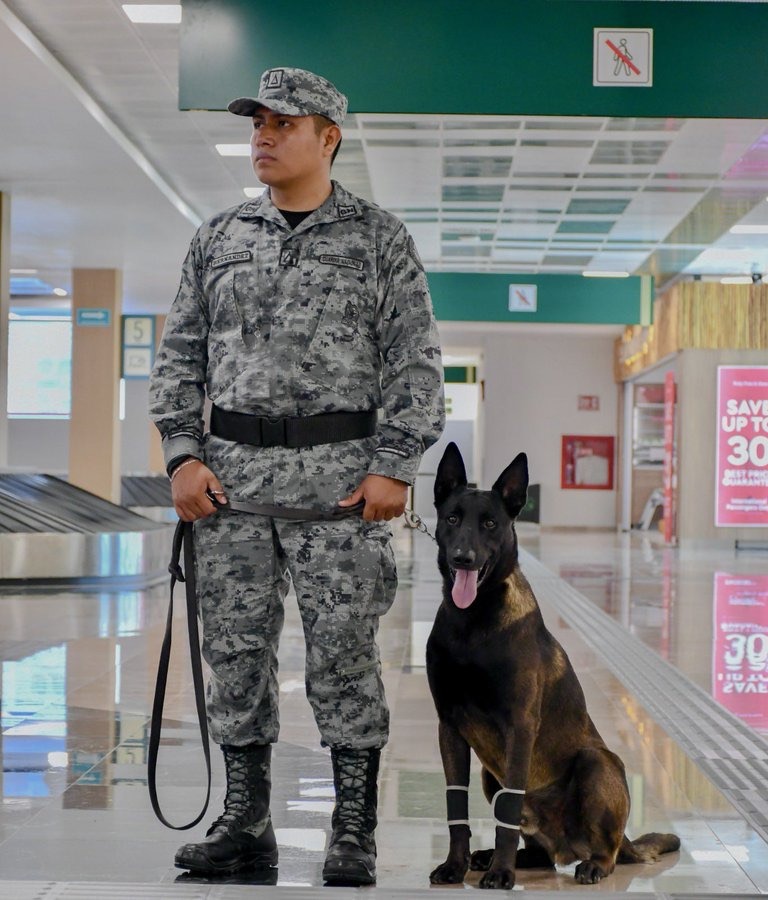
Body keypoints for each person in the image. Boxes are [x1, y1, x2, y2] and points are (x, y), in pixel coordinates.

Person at [148, 66, 444, 887]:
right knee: (235, 652)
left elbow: (416, 362)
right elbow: (179, 357)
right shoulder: (218, 238)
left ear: (328, 137)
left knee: (344, 655)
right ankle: (246, 824)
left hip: (340, 492)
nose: (264, 137)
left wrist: (395, 464)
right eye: (258, 124)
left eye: (283, 124)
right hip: (230, 489)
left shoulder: (378, 239)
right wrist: (182, 453)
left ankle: (353, 830)